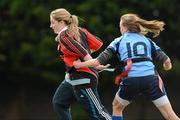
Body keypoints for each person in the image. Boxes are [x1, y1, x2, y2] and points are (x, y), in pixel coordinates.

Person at [73, 13, 180, 120]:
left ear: (124, 27)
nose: (120, 29)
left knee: (117, 107)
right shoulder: (147, 40)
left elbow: (96, 62)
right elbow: (167, 61)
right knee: (170, 115)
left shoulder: (118, 41)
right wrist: (167, 67)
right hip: (151, 79)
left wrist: (79, 64)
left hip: (131, 79)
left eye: (120, 27)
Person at [49, 8, 111, 120]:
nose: (51, 25)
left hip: (83, 78)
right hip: (71, 78)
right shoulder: (79, 30)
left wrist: (94, 64)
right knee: (59, 102)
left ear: (61, 21)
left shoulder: (64, 37)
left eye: (53, 22)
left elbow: (84, 53)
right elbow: (98, 43)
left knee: (97, 113)